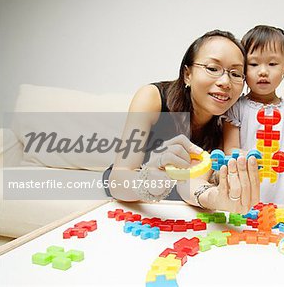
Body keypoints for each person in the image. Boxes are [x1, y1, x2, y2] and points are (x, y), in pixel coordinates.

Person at [104, 30, 260, 214]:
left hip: (179, 204)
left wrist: (214, 198)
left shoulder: (228, 122)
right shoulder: (152, 97)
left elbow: (192, 186)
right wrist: (150, 180)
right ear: (188, 74)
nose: (225, 82)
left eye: (236, 74)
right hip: (131, 194)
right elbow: (119, 178)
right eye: (212, 68)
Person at [223, 25, 284, 204]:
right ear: (243, 68)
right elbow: (230, 150)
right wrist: (252, 157)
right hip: (247, 187)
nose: (263, 71)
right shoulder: (236, 108)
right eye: (254, 64)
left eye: (272, 64)